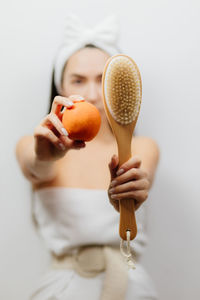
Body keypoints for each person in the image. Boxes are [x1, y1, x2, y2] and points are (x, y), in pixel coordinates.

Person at [15, 14, 160, 300]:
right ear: (61, 88)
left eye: (103, 80)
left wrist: (126, 194)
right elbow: (36, 167)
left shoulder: (143, 148)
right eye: (78, 80)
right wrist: (45, 156)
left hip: (132, 289)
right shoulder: (33, 145)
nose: (93, 94)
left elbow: (136, 187)